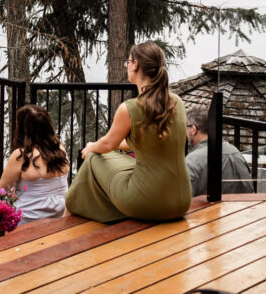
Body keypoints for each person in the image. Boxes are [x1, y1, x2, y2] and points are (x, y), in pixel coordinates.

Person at [65, 42, 192, 222]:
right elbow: (144, 142)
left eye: (128, 62)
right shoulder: (177, 103)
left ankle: (70, 211)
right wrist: (110, 147)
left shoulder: (130, 108)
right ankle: (75, 209)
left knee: (93, 158)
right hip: (181, 201)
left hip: (145, 201)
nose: (127, 67)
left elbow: (109, 144)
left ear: (136, 65)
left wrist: (92, 146)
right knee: (104, 154)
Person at [0, 104, 69, 224]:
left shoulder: (21, 155)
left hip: (30, 217)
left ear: (23, 129)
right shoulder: (59, 147)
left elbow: (1, 190)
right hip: (60, 212)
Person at [185, 103, 254, 196]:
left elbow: (183, 201)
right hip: (241, 209)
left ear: (193, 129)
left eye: (186, 127)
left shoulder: (192, 160)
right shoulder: (235, 152)